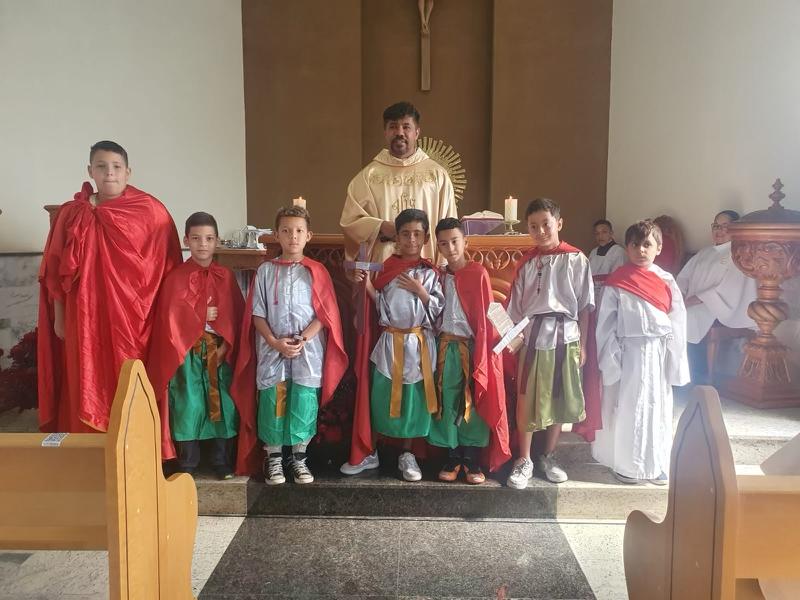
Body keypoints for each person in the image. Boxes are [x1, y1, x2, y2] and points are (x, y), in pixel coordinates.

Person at [38, 140, 182, 437]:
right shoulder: (71, 214)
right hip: (84, 316)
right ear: (90, 170)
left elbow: (168, 268)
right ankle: (85, 448)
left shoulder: (151, 212)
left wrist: (164, 318)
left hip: (132, 320)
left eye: (116, 167)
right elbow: (55, 271)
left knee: (129, 375)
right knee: (85, 375)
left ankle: (135, 444)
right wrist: (59, 316)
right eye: (101, 166)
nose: (109, 173)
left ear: (128, 172)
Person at [232, 206, 347, 483]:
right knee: (273, 400)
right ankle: (273, 458)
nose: (292, 236)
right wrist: (274, 341)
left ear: (308, 235)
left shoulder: (317, 271)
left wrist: (303, 338)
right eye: (286, 230)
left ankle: (299, 459)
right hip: (272, 347)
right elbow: (257, 314)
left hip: (307, 348)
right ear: (276, 235)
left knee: (303, 400)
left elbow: (325, 314)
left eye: (298, 231)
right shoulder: (265, 271)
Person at [341, 208, 444, 481]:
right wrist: (367, 286)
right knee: (381, 398)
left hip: (419, 346)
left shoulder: (430, 273)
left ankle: (407, 454)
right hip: (390, 343)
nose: (411, 239)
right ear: (396, 237)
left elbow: (439, 311)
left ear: (425, 238)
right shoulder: (386, 268)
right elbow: (380, 305)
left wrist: (421, 292)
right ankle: (370, 450)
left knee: (412, 402)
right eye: (405, 234)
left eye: (417, 234)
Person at [592, 220, 690, 484]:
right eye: (635, 245)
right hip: (628, 354)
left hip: (658, 353)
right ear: (627, 248)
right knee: (627, 408)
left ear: (659, 248)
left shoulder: (666, 280)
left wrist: (675, 359)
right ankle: (626, 464)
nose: (641, 250)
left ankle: (656, 464)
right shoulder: (617, 281)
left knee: (658, 409)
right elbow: (606, 324)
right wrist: (610, 360)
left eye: (647, 244)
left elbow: (678, 321)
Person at [505, 199, 594, 488]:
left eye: (546, 224)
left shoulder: (576, 259)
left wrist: (583, 345)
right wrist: (515, 338)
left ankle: (549, 455)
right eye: (533, 226)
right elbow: (515, 308)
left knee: (559, 396)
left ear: (559, 223)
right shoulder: (527, 263)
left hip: (566, 335)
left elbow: (585, 306)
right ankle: (524, 459)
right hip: (533, 336)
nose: (540, 231)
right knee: (527, 397)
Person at [147, 212, 243, 478]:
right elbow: (170, 318)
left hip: (219, 351)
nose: (203, 244)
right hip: (187, 353)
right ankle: (188, 462)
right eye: (197, 238)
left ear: (217, 241)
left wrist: (226, 348)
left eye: (209, 238)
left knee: (223, 404)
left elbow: (236, 316)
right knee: (188, 404)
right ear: (186, 240)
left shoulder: (226, 276)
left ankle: (221, 461)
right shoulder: (176, 278)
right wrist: (201, 313)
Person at [427, 218, 511, 483]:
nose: (450, 248)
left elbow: (488, 311)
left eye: (455, 241)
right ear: (438, 246)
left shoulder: (478, 273)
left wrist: (500, 340)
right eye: (443, 243)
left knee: (472, 399)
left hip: (471, 346)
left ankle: (472, 458)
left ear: (465, 242)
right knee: (447, 398)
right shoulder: (436, 275)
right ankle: (452, 456)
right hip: (444, 346)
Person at [340, 101, 457, 265]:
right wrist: (380, 227)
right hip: (383, 266)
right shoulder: (368, 176)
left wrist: (443, 268)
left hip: (427, 268)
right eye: (393, 127)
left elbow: (449, 228)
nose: (399, 132)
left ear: (417, 132)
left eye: (406, 127)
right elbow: (350, 222)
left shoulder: (437, 175)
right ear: (385, 133)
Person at [676, 210, 756, 351]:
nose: (719, 230)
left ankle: (695, 363)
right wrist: (680, 295)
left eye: (725, 226)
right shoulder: (704, 252)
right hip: (691, 302)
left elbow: (732, 286)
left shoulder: (739, 254)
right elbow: (684, 277)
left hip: (718, 307)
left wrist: (697, 299)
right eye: (716, 226)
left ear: (736, 228)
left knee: (689, 317)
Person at [588, 219, 626, 290]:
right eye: (597, 233)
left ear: (611, 233)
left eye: (604, 232)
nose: (600, 236)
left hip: (609, 291)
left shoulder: (618, 252)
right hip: (592, 291)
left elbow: (618, 277)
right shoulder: (593, 252)